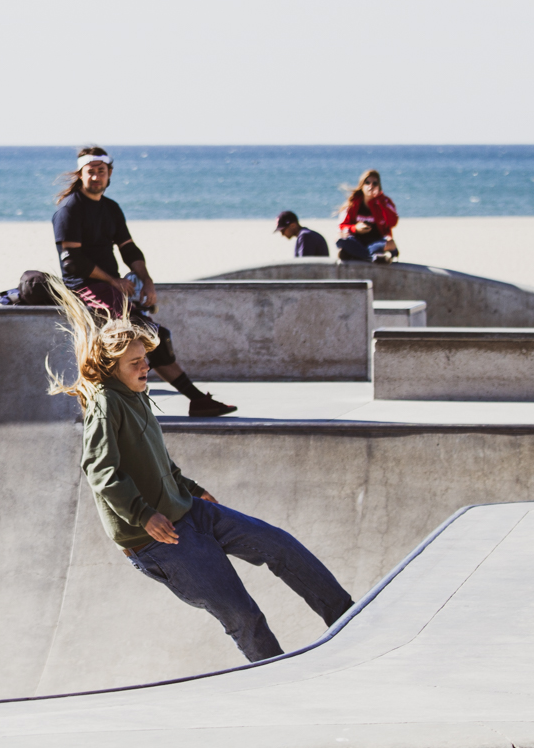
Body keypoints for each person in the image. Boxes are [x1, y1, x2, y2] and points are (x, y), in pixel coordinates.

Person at [45, 280, 354, 661]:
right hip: (160, 539)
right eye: (135, 363)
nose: (146, 368)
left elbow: (158, 461)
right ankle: (277, 673)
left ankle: (348, 618)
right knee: (241, 613)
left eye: (146, 360)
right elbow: (99, 469)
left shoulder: (137, 397)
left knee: (280, 545)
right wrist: (143, 515)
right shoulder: (107, 404)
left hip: (191, 510)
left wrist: (191, 488)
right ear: (112, 368)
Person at [52, 147, 236, 418]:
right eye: (90, 171)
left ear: (109, 173)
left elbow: (129, 249)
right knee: (128, 340)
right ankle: (120, 406)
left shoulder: (111, 208)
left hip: (111, 289)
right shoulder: (70, 209)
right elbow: (72, 262)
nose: (96, 177)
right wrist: (113, 280)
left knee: (157, 337)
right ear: (81, 174)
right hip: (83, 289)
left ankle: (197, 400)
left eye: (101, 171)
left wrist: (147, 281)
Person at [336, 169, 399, 264]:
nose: (371, 186)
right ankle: (373, 257)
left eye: (375, 183)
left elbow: (393, 222)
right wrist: (355, 228)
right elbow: (341, 227)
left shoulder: (385, 202)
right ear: (362, 185)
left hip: (377, 241)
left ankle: (356, 255)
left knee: (390, 244)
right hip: (357, 241)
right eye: (367, 183)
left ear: (379, 186)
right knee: (340, 240)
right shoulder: (353, 203)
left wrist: (381, 201)